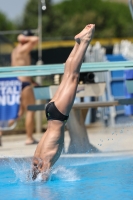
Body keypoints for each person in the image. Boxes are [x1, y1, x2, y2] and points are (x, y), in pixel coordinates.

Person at [32, 24, 95, 181]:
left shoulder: (44, 163)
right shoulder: (36, 159)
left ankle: (85, 40)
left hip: (59, 116)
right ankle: (78, 43)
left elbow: (42, 180)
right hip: (51, 112)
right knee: (68, 74)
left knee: (73, 75)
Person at [6, 30, 38, 145]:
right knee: (30, 110)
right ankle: (29, 138)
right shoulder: (23, 48)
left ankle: (0, 131)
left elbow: (20, 67)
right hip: (24, 84)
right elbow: (36, 40)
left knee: (18, 112)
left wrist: (32, 80)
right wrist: (23, 38)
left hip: (16, 83)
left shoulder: (15, 50)